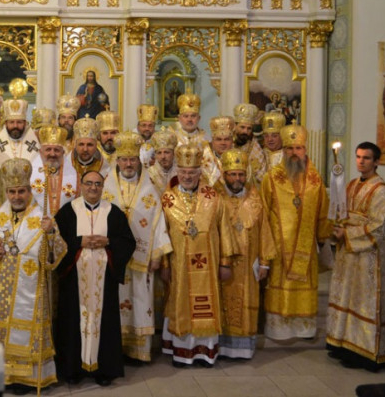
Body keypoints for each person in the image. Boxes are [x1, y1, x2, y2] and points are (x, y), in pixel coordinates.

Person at [0, 158, 66, 394]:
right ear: (6, 192)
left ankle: (25, 378)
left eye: (21, 191)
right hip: (0, 289)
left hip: (30, 288)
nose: (16, 196)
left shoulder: (44, 219)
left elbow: (57, 253)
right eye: (12, 191)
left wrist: (51, 233)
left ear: (29, 191)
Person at [53, 170, 133, 386]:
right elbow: (55, 242)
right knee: (72, 321)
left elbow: (128, 241)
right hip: (74, 279)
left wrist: (108, 242)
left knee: (104, 321)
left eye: (97, 184)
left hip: (104, 279)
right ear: (81, 185)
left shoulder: (113, 212)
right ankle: (72, 369)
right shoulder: (68, 211)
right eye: (89, 183)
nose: (93, 188)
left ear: (103, 187)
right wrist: (78, 242)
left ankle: (104, 370)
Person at [159, 143, 233, 367]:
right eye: (183, 172)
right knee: (180, 303)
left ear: (199, 173)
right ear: (177, 172)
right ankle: (181, 352)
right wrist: (164, 264)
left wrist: (225, 262)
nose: (187, 176)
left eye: (192, 172)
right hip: (178, 265)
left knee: (205, 306)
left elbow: (225, 230)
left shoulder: (214, 198)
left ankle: (205, 352)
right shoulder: (167, 199)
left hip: (208, 266)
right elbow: (162, 234)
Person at [101, 131, 172, 363]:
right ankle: (116, 349)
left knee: (141, 301)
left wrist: (157, 255)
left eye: (132, 159)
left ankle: (139, 351)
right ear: (117, 161)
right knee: (115, 301)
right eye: (124, 159)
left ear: (138, 161)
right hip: (113, 258)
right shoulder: (106, 188)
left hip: (142, 259)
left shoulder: (150, 189)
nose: (128, 164)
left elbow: (158, 222)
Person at [327, 142, 385, 372]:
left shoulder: (381, 190)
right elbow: (342, 213)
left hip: (368, 257)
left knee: (363, 302)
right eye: (358, 157)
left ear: (376, 162)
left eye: (366, 158)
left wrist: (347, 234)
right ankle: (344, 345)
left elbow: (379, 227)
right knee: (347, 297)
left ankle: (364, 354)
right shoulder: (352, 184)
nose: (361, 161)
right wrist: (337, 225)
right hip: (348, 254)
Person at [261, 125, 331, 340]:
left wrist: (323, 238)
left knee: (303, 285)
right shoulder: (271, 178)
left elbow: (323, 211)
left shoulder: (315, 180)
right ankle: (279, 329)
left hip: (306, 248)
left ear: (305, 149)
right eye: (290, 148)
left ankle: (304, 328)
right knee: (280, 287)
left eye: (298, 148)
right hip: (279, 249)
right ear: (283, 150)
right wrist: (264, 250)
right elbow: (263, 214)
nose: (294, 153)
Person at [217, 149, 274, 360]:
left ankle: (242, 350)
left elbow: (265, 230)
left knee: (246, 305)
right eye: (232, 174)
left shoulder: (255, 198)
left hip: (249, 264)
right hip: (222, 265)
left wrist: (265, 262)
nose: (237, 179)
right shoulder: (214, 197)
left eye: (241, 174)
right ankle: (220, 347)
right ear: (224, 175)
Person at [0, 96, 40, 202]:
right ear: (5, 123)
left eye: (19, 122)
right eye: (11, 122)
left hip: (31, 201)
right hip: (3, 200)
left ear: (25, 123)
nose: (15, 126)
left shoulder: (36, 147)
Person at [30, 126, 78, 214]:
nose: (52, 154)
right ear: (40, 152)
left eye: (56, 150)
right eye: (48, 149)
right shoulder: (29, 174)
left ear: (63, 153)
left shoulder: (75, 176)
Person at [232, 103, 267, 183]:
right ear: (235, 126)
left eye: (249, 128)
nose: (245, 131)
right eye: (242, 127)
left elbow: (261, 176)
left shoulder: (255, 148)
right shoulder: (227, 142)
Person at [70, 115, 110, 181]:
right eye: (81, 144)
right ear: (75, 145)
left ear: (96, 146)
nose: (85, 149)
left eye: (90, 145)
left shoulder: (105, 170)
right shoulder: (67, 166)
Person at [201, 116, 235, 188]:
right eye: (219, 139)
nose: (223, 143)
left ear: (232, 141)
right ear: (212, 142)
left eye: (227, 139)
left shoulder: (240, 159)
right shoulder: (202, 161)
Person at [146, 130, 178, 194]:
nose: (163, 157)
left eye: (166, 152)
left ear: (173, 154)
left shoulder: (180, 173)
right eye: (159, 153)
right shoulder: (149, 174)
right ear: (155, 155)